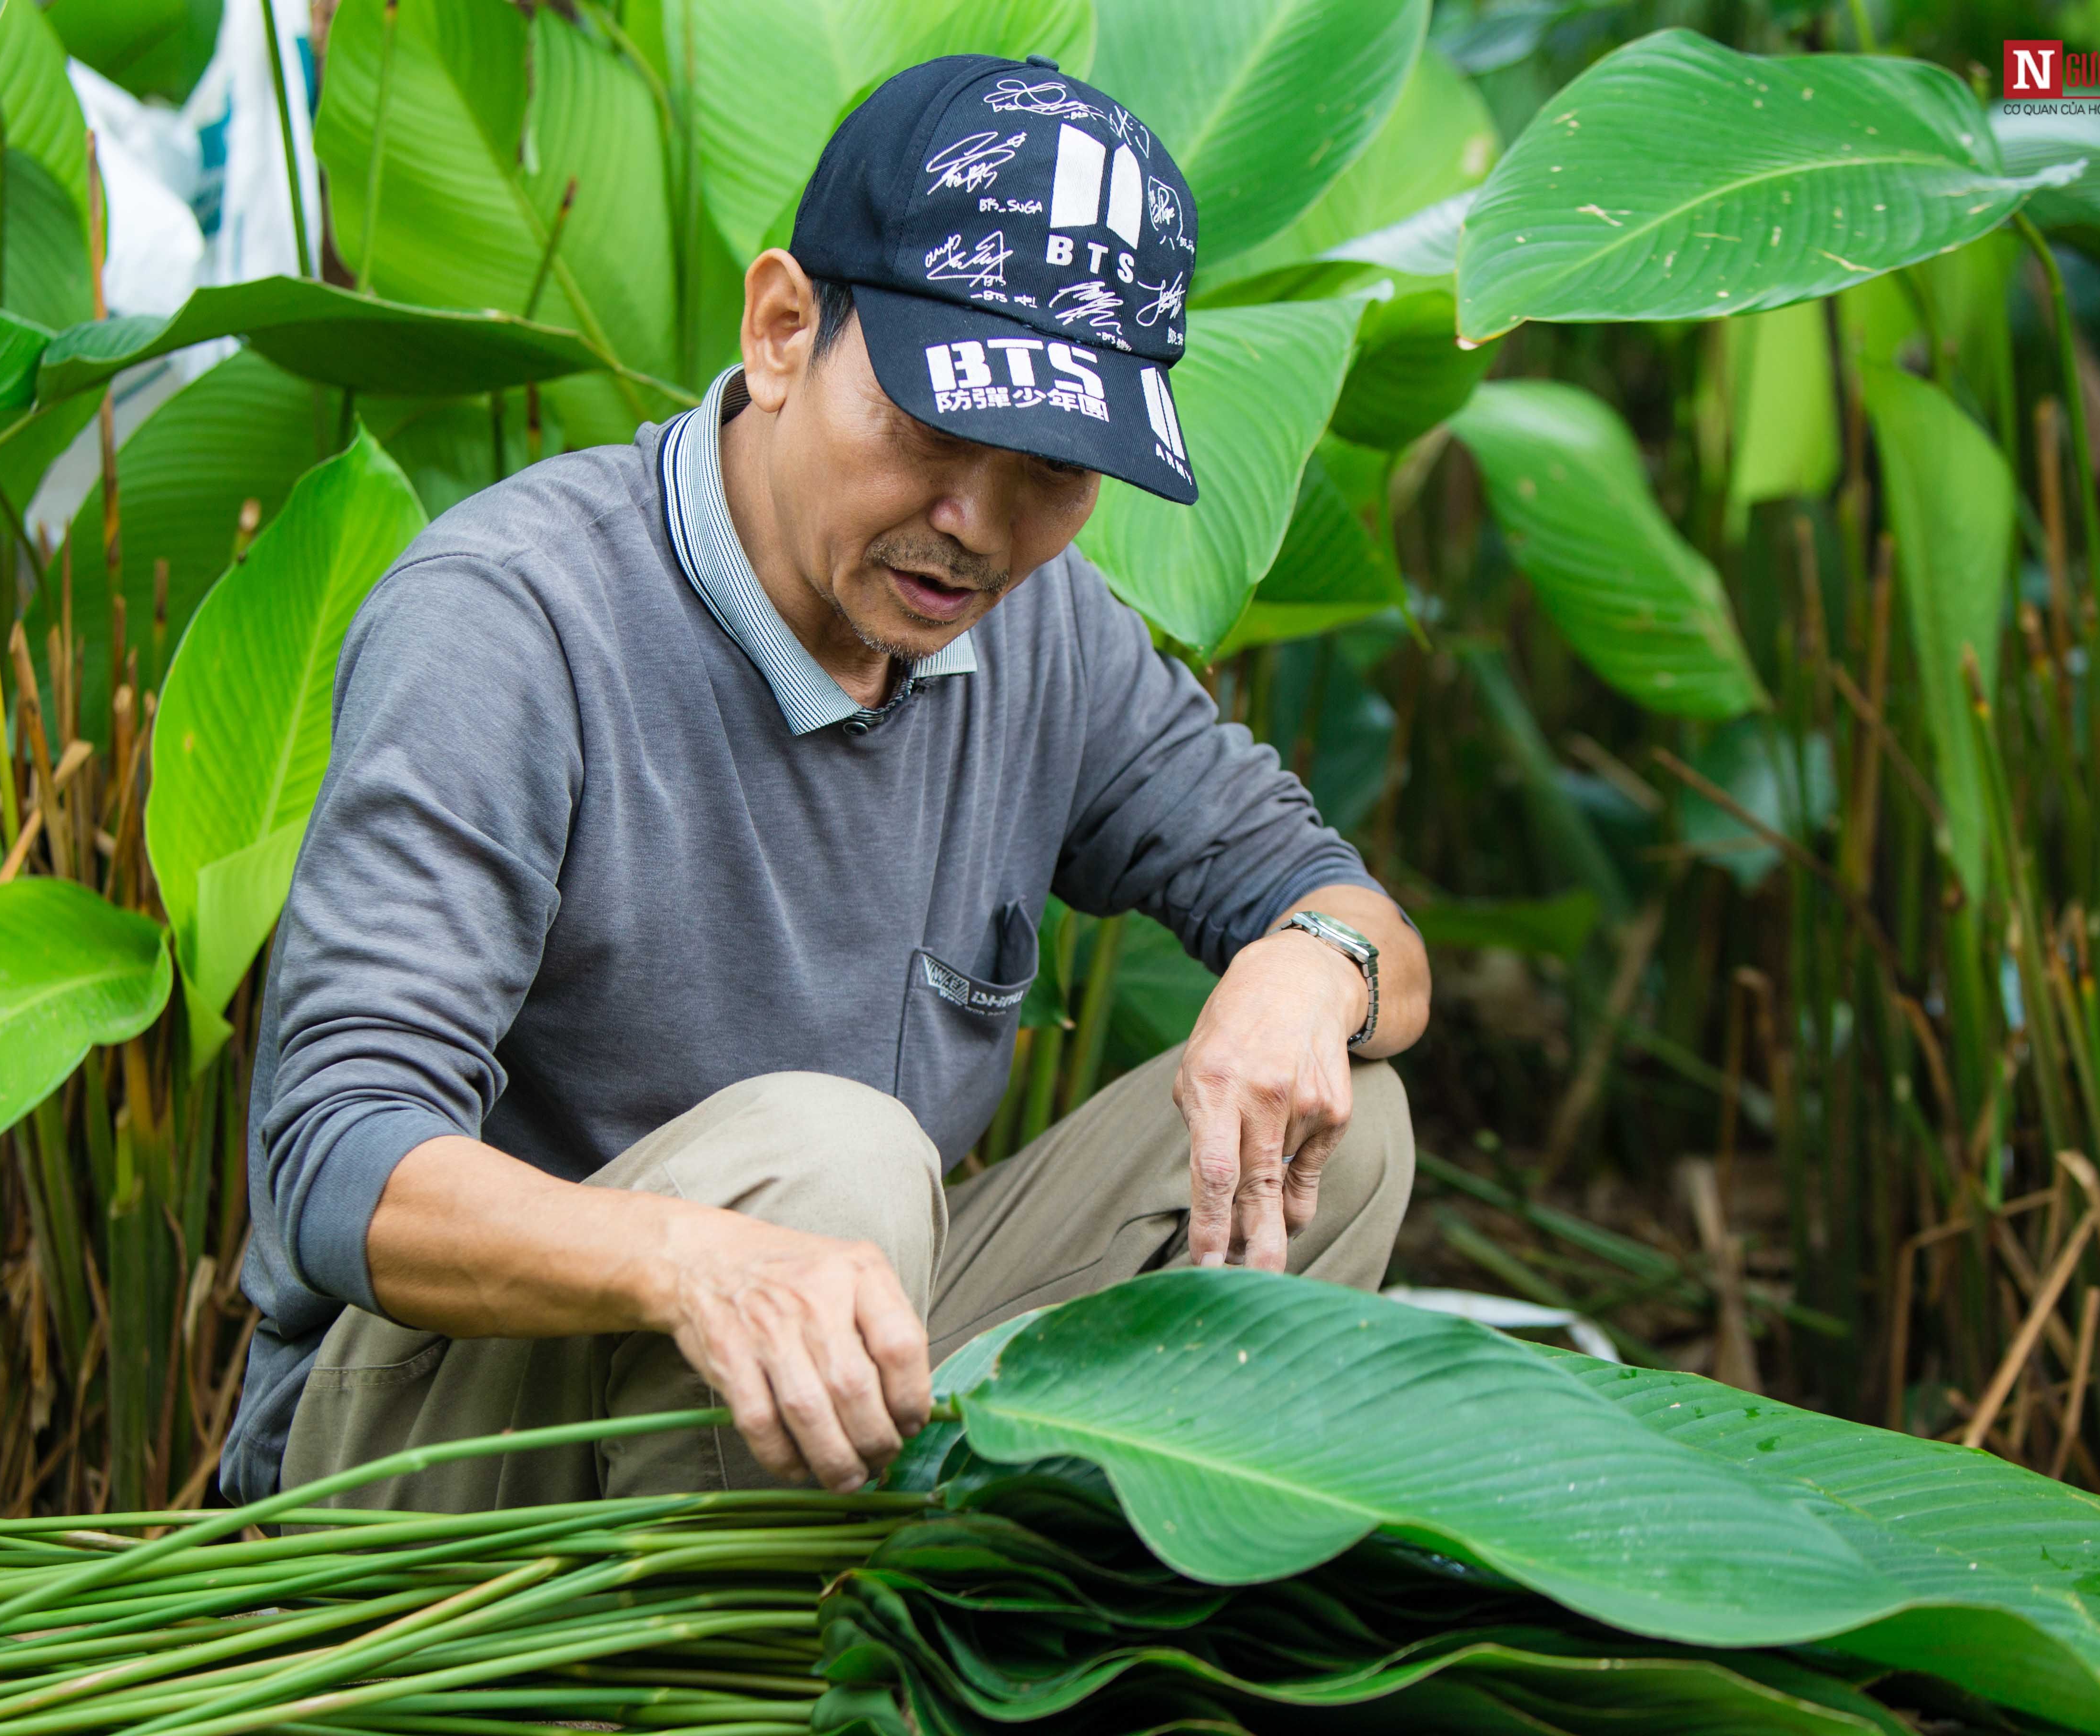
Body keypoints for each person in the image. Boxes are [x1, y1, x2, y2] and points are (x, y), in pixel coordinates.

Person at [219, 51, 1430, 1512]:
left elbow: (1353, 917)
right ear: (784, 329)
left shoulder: (1045, 635)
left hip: (838, 1350)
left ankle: (1017, 1645)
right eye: (933, 429)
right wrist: (694, 1259)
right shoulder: (508, 618)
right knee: (831, 1159)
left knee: (1344, 1128)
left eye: (1049, 469)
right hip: (438, 1441)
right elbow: (342, 1166)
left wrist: (1316, 964)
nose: (973, 526)